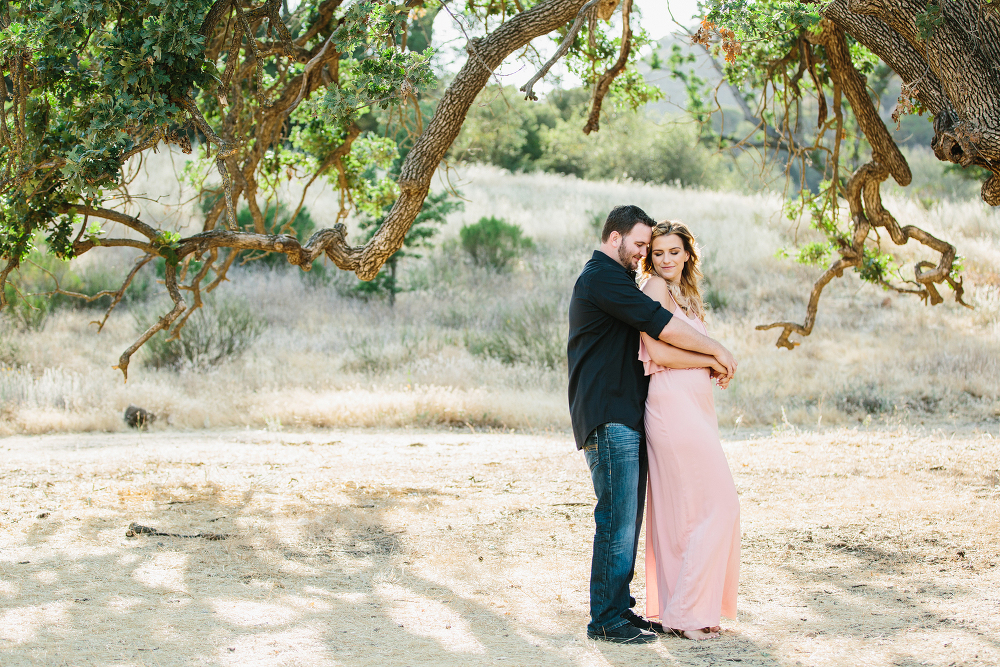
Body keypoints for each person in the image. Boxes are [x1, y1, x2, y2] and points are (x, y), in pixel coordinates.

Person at [567, 205, 737, 644]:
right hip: (609, 414)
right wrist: (715, 351)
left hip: (629, 413)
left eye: (656, 247)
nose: (647, 254)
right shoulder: (601, 277)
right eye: (642, 245)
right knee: (616, 520)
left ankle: (620, 610)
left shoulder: (620, 280)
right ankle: (605, 619)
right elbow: (657, 328)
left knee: (628, 519)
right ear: (614, 237)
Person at [638, 221, 741, 640]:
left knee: (691, 510)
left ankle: (693, 610)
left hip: (695, 408)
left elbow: (688, 344)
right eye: (658, 252)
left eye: (673, 252)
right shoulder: (653, 289)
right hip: (670, 407)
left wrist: (711, 362)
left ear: (687, 254)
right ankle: (684, 613)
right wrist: (711, 359)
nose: (665, 260)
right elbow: (657, 350)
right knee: (718, 505)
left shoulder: (689, 295)